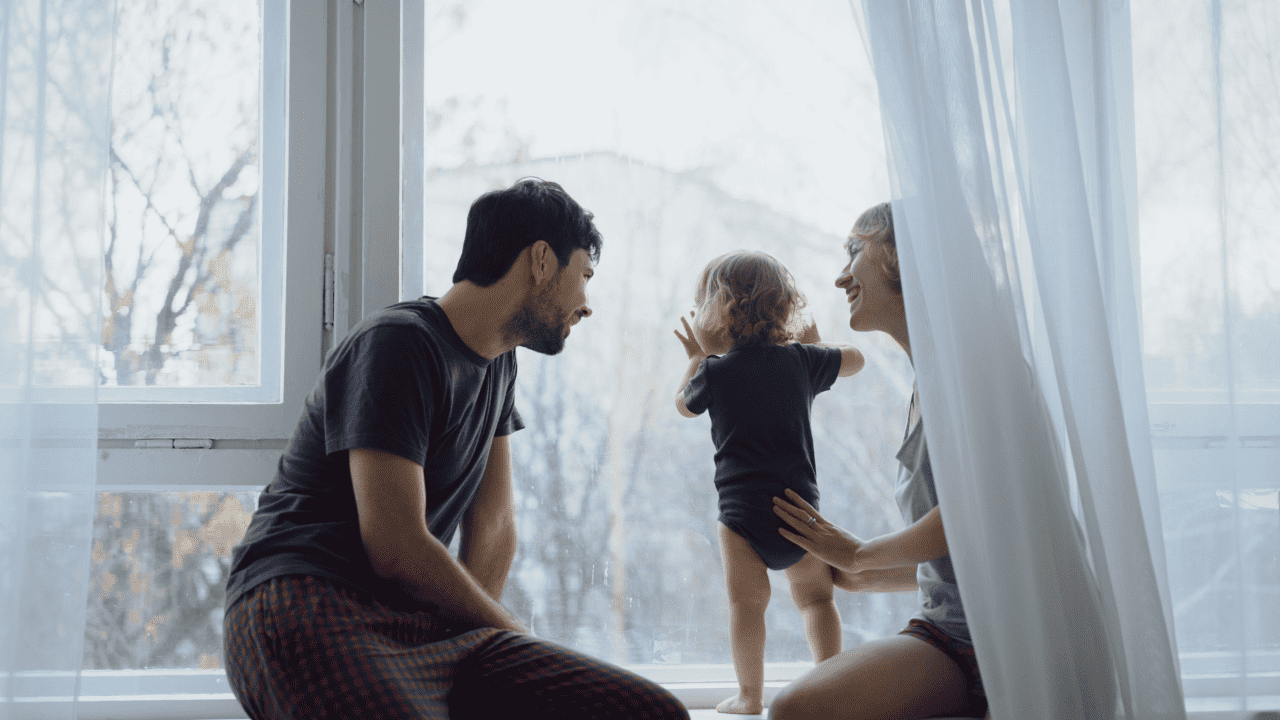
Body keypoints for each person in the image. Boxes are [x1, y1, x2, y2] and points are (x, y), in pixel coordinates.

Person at [223, 179, 689, 720]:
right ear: (541, 261)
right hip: (303, 602)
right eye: (584, 276)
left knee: (649, 712)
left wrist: (492, 649)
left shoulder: (500, 366)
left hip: (417, 624)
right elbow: (396, 545)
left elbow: (493, 529)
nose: (586, 306)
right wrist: (510, 628)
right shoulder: (398, 344)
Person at [765, 202, 989, 720]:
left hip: (978, 640)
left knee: (796, 711)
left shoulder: (970, 374)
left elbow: (968, 520)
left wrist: (860, 553)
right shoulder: (930, 381)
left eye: (853, 251)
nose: (842, 276)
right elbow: (959, 564)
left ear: (899, 256)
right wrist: (847, 572)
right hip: (954, 634)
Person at [672, 251, 865, 715]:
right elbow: (856, 361)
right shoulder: (800, 361)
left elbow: (682, 405)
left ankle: (750, 696)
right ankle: (830, 686)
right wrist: (816, 343)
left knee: (746, 606)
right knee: (817, 601)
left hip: (742, 518)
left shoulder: (714, 372)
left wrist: (698, 356)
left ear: (718, 311)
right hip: (801, 514)